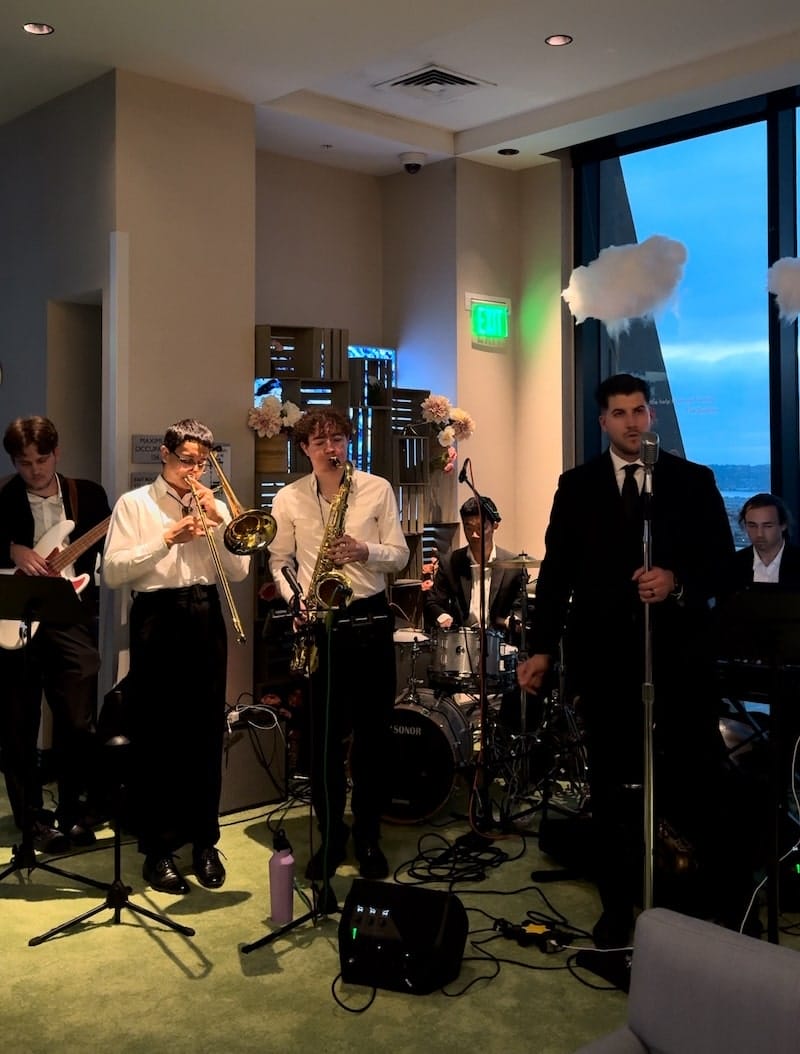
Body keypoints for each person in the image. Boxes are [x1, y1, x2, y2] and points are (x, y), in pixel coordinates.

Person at [518, 373, 736, 948]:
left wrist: (677, 582)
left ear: (651, 415)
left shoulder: (693, 481)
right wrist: (541, 649)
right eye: (620, 414)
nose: (632, 423)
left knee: (693, 775)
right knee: (611, 786)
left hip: (681, 660)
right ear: (603, 422)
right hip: (605, 662)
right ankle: (617, 905)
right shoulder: (576, 486)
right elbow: (556, 576)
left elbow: (723, 565)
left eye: (640, 411)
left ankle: (696, 896)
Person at [103, 419, 249, 894]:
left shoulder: (215, 503)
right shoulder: (135, 504)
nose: (195, 471)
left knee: (206, 731)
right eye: (187, 461)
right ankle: (158, 849)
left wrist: (220, 522)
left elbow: (239, 571)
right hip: (157, 614)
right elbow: (112, 571)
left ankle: (205, 842)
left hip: (206, 610)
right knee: (157, 733)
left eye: (203, 463)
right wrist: (166, 538)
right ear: (164, 456)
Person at [268, 408, 409, 882]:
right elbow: (279, 560)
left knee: (373, 739)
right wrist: (295, 599)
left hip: (368, 619)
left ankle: (368, 835)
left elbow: (400, 555)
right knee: (322, 741)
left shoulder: (377, 488)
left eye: (339, 439)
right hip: (319, 623)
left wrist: (365, 550)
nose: (332, 449)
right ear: (304, 449)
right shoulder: (288, 498)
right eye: (321, 441)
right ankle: (330, 835)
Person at [0, 416, 110, 852]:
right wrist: (12, 549)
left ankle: (73, 811)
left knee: (78, 722)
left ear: (56, 453)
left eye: (42, 460)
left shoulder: (90, 495)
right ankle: (31, 820)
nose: (35, 470)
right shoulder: (2, 498)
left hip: (70, 616)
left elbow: (108, 548)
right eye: (24, 463)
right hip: (16, 620)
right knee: (18, 726)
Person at [730, 492, 800, 589]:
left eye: (768, 526)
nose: (759, 534)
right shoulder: (732, 565)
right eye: (752, 526)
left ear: (783, 525)